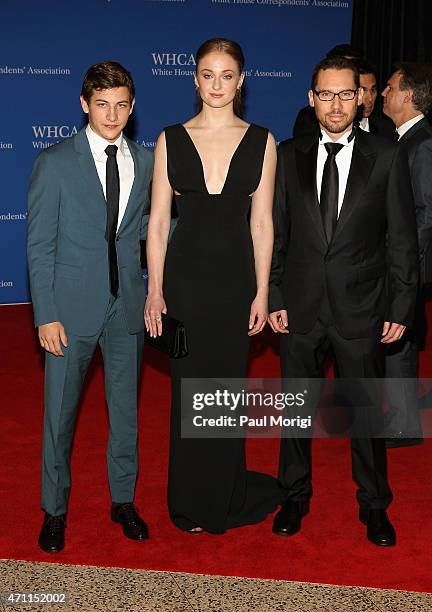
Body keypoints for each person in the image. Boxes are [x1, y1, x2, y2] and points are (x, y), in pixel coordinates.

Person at [269, 56, 418, 546]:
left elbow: (402, 238)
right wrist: (273, 293)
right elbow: (275, 234)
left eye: (345, 94)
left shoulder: (388, 154)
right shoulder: (287, 154)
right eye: (326, 95)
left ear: (361, 98)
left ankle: (375, 504)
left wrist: (401, 307)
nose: (336, 105)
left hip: (363, 306)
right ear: (312, 99)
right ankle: (294, 494)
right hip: (301, 305)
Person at [145, 38, 280, 534]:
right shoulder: (169, 139)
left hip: (234, 284)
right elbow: (158, 224)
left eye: (227, 75)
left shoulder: (263, 141)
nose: (217, 84)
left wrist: (262, 292)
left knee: (224, 394)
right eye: (208, 74)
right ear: (195, 78)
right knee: (188, 393)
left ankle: (221, 494)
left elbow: (262, 224)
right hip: (185, 283)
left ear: (242, 79)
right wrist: (154, 290)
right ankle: (189, 500)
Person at [27, 61, 152, 552]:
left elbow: (147, 233)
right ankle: (54, 510)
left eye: (121, 104)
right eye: (102, 104)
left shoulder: (144, 162)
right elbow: (39, 247)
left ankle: (123, 500)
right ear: (84, 104)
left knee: (125, 413)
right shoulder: (55, 162)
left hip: (128, 309)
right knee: (59, 416)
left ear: (132, 106)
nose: (112, 114)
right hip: (70, 310)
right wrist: (45, 314)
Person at [381, 62, 432, 447]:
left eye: (390, 87)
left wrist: (404, 265)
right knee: (396, 337)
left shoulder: (423, 142)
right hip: (403, 260)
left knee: (398, 338)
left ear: (409, 96)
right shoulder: (403, 139)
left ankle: (404, 424)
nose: (383, 93)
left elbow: (427, 213)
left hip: (408, 262)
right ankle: (400, 415)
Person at [356, 59, 394, 137]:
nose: (370, 98)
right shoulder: (334, 130)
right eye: (362, 90)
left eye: (373, 90)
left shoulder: (388, 130)